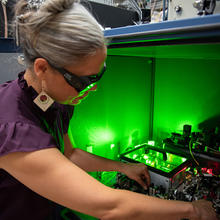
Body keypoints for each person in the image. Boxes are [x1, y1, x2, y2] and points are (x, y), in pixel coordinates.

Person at [0, 0, 217, 219]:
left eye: (98, 76)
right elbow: (109, 207)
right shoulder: (13, 128)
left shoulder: (56, 99)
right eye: (83, 81)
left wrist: (122, 167)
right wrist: (193, 209)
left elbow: (70, 154)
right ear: (42, 68)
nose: (91, 88)